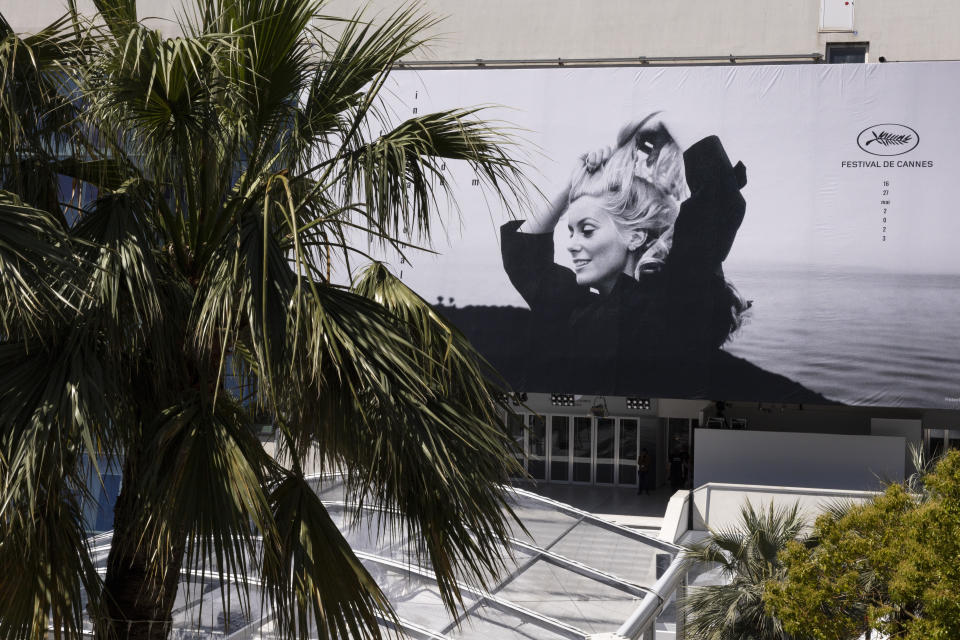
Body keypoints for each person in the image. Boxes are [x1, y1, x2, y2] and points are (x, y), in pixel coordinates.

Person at [500, 113, 749, 395]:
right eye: (570, 231)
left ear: (636, 236)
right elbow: (523, 258)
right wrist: (573, 183)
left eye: (587, 230)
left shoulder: (673, 300)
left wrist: (665, 119)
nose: (571, 244)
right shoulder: (577, 309)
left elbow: (720, 197)